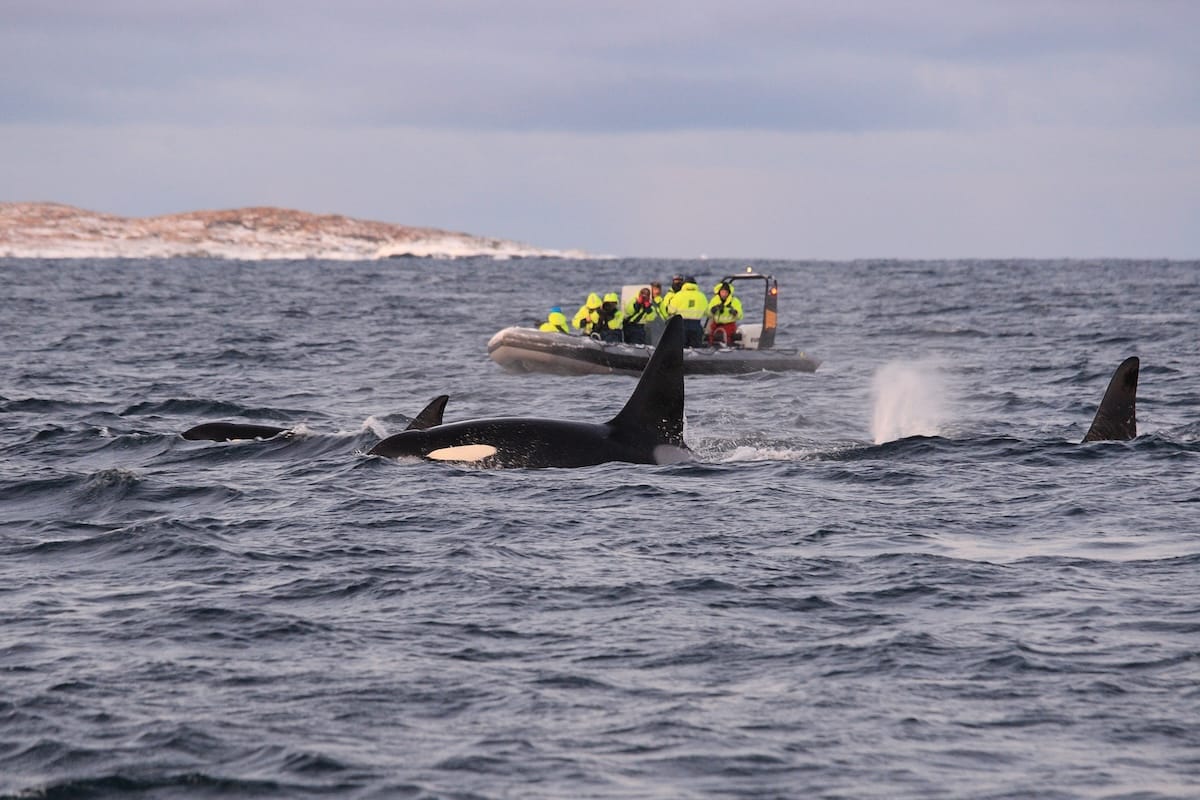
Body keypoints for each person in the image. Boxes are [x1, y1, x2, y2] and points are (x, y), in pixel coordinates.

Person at [664, 275, 707, 348]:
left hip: (682, 325)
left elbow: (671, 310)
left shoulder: (678, 295)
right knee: (696, 348)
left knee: (681, 348)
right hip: (696, 325)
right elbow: (708, 312)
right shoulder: (702, 296)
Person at [706, 281, 743, 346]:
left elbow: (740, 315)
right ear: (719, 292)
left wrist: (735, 313)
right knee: (711, 337)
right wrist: (713, 310)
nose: (724, 294)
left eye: (726, 292)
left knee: (726, 337)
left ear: (729, 293)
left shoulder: (734, 301)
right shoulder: (714, 300)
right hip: (716, 324)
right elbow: (708, 313)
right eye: (722, 292)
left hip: (729, 325)